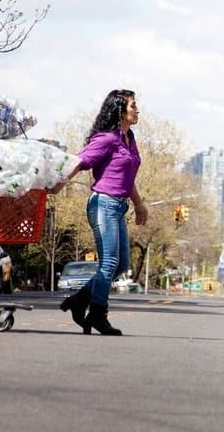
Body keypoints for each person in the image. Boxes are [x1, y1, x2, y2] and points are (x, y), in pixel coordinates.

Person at [55, 89, 149, 336]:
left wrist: (139, 204)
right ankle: (98, 314)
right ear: (119, 110)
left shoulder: (129, 138)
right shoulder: (107, 139)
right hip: (103, 204)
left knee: (121, 264)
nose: (138, 110)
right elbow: (79, 161)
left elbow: (127, 177)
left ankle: (79, 300)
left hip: (118, 206)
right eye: (133, 106)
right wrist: (57, 185)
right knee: (109, 262)